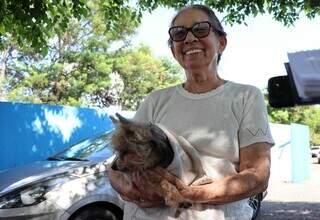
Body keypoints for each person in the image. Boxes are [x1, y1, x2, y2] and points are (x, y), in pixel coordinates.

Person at [108, 4, 274, 220]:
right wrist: (132, 190)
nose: (188, 39)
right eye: (179, 33)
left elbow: (258, 176)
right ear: (173, 51)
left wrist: (190, 194)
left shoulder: (245, 96)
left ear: (221, 42)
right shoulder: (155, 100)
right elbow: (118, 165)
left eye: (201, 29)